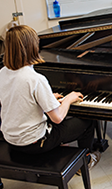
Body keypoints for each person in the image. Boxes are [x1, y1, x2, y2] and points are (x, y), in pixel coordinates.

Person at [0, 25, 100, 168]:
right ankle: (86, 160)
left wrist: (46, 97)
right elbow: (58, 118)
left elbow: (15, 97)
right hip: (35, 142)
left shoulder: (3, 72)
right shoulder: (35, 79)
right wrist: (69, 99)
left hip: (11, 139)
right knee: (88, 121)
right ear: (31, 47)